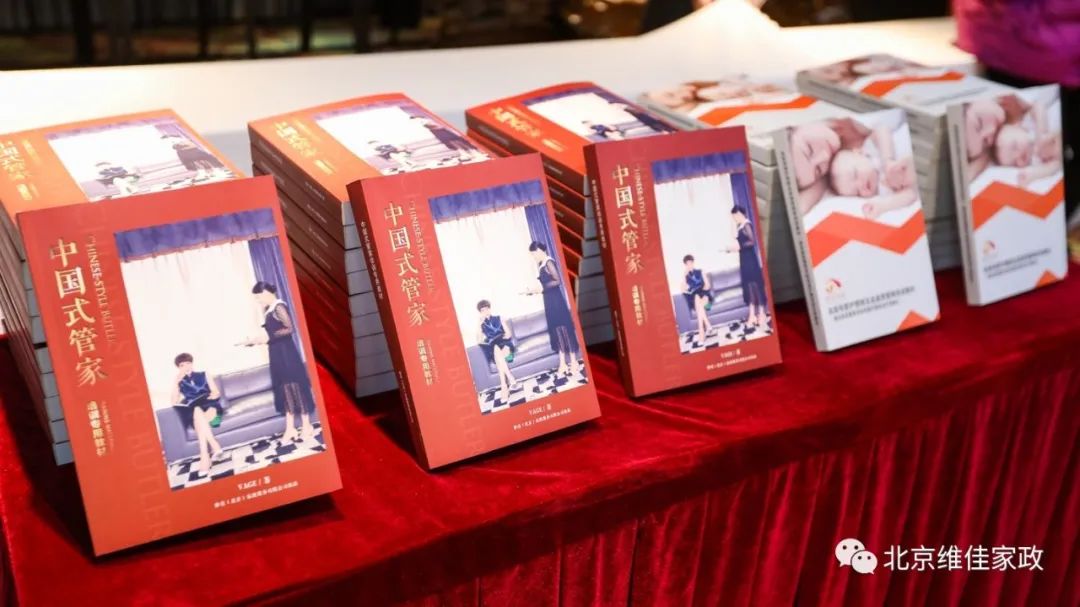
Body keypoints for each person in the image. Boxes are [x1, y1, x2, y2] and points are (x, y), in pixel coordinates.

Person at [240, 282, 317, 442]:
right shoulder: (269, 310)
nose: (258, 301)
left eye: (259, 297)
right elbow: (272, 334)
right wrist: (255, 341)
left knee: (295, 387)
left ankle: (307, 425)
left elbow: (289, 329)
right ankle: (290, 428)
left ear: (266, 293)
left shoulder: (279, 306)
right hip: (277, 354)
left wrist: (268, 337)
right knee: (285, 389)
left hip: (286, 354)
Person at [523, 242, 581, 377]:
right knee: (557, 331)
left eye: (533, 254)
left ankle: (573, 362)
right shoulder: (541, 265)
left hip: (556, 301)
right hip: (549, 302)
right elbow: (545, 286)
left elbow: (557, 281)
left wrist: (542, 288)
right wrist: (533, 291)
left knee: (564, 329)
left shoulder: (549, 262)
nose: (533, 257)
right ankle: (563, 363)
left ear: (539, 250)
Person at [170, 353, 223, 474]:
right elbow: (173, 402)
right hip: (194, 411)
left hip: (210, 406)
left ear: (192, 363)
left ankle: (205, 456)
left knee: (198, 414)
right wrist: (176, 383)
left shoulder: (204, 374)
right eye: (182, 365)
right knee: (196, 410)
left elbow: (216, 392)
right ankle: (214, 447)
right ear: (178, 368)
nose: (186, 366)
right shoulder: (180, 381)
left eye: (188, 363)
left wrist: (213, 395)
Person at [722, 206, 770, 328]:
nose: (735, 218)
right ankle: (752, 315)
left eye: (735, 216)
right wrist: (732, 249)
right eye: (734, 216)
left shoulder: (747, 224)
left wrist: (739, 247)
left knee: (756, 286)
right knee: (749, 287)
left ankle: (762, 314)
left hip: (750, 260)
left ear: (741, 214)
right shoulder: (740, 226)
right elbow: (736, 239)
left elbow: (752, 242)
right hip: (744, 259)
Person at [476, 299, 518, 402]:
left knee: (498, 356)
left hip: (505, 344)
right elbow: (479, 340)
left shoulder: (499, 318)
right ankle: (509, 380)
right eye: (482, 310)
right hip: (494, 347)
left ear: (490, 309)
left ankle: (505, 386)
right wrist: (479, 325)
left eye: (486, 309)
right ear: (480, 313)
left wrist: (503, 334)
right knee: (495, 349)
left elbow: (509, 335)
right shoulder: (482, 325)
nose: (485, 311)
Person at [409, 115, 484, 164]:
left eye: (416, 119)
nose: (416, 121)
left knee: (456, 142)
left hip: (442, 132)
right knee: (453, 143)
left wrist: (428, 126)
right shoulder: (423, 121)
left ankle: (472, 153)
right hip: (439, 133)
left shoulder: (426, 120)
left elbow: (437, 125)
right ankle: (467, 154)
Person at [160, 134, 226, 181]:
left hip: (191, 151)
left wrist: (180, 146)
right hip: (187, 152)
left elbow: (190, 145)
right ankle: (209, 171)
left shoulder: (179, 139)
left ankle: (212, 170)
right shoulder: (176, 142)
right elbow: (178, 147)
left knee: (202, 159)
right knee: (199, 160)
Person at [682, 255, 715, 344]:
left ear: (693, 263)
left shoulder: (701, 271)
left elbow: (708, 285)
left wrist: (704, 293)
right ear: (685, 265)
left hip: (707, 301)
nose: (690, 265)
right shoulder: (686, 276)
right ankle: (706, 327)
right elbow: (684, 289)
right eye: (687, 264)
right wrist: (684, 276)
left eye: (691, 263)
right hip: (696, 300)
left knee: (698, 300)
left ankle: (704, 330)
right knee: (696, 297)